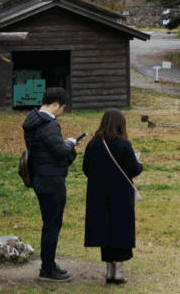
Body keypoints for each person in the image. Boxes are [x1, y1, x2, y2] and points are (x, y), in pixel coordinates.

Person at [22, 87, 79, 282]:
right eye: (62, 107)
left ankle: (49, 263)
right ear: (55, 104)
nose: (62, 111)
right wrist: (71, 143)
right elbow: (60, 151)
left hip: (39, 177)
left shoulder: (32, 121)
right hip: (52, 180)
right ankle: (47, 268)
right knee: (52, 225)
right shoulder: (49, 125)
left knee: (49, 223)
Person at [82, 108, 143, 285]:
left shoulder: (93, 144)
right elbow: (133, 168)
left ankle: (109, 270)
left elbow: (86, 168)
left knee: (104, 230)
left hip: (98, 194)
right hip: (120, 194)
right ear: (120, 124)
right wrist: (140, 165)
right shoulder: (124, 144)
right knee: (120, 231)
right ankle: (119, 271)